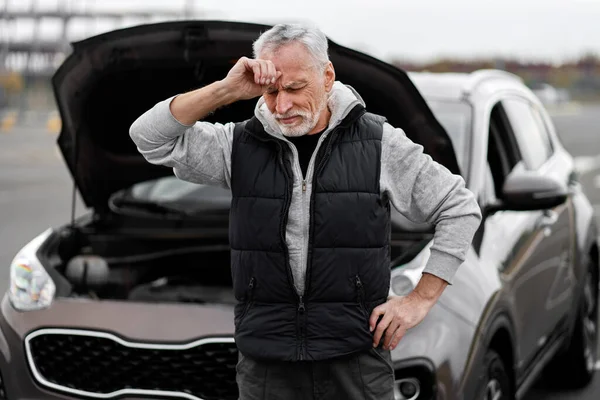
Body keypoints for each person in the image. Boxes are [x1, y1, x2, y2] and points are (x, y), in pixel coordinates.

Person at [130, 23, 482, 400]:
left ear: (327, 76)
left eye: (295, 88)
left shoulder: (379, 144)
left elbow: (459, 208)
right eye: (271, 91)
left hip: (356, 363)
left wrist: (420, 299)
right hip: (267, 368)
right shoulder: (236, 145)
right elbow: (148, 137)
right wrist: (228, 89)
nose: (282, 106)